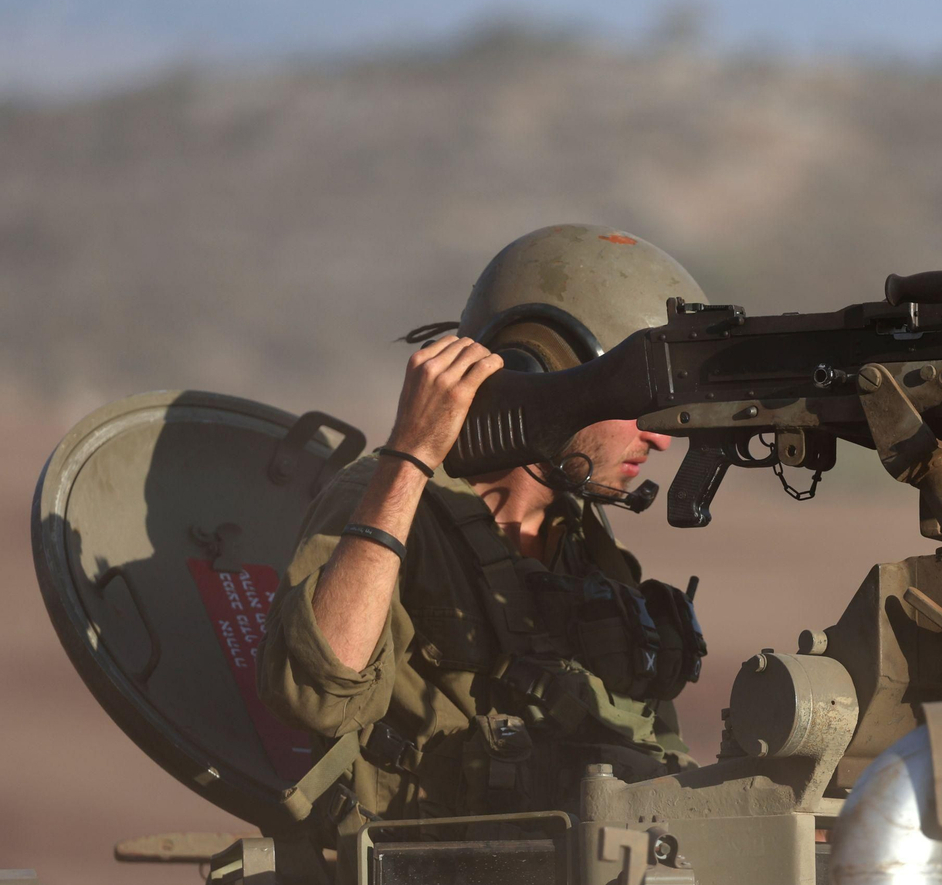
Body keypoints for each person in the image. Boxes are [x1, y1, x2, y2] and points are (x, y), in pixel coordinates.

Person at [258, 224, 707, 851]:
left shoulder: (586, 542)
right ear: (542, 369)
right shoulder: (387, 499)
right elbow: (319, 696)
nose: (661, 438)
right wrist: (411, 456)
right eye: (642, 404)